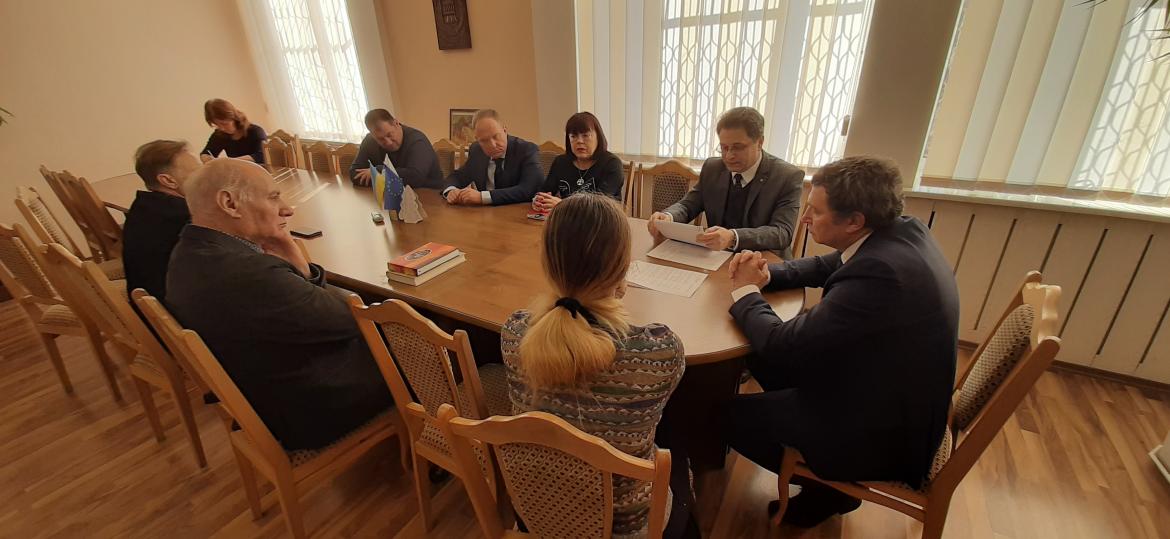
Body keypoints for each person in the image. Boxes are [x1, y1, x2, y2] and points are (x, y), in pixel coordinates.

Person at [724, 156, 958, 527]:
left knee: (724, 415)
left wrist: (746, 291)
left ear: (854, 221)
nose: (804, 218)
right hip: (885, 385)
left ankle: (831, 491)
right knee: (755, 354)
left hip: (883, 430)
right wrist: (768, 275)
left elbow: (782, 344)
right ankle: (824, 481)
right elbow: (830, 265)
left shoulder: (880, 274)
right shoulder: (900, 232)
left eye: (815, 211)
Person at [501, 193, 696, 538]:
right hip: (624, 527)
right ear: (623, 268)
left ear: (547, 262)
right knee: (677, 448)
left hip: (538, 512)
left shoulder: (514, 333)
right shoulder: (660, 351)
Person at [166, 159, 392, 451]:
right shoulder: (250, 273)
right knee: (432, 333)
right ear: (229, 203)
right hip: (310, 408)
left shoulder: (186, 254)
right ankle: (438, 447)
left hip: (266, 387)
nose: (287, 209)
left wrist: (299, 268)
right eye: (273, 197)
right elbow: (353, 320)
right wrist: (299, 263)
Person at [647, 107, 803, 258]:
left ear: (760, 142)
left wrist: (733, 237)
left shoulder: (787, 176)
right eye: (724, 147)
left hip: (764, 261)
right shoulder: (713, 168)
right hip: (716, 258)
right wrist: (668, 217)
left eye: (737, 148)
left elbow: (782, 232)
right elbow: (688, 205)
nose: (729, 156)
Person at [122, 140, 199, 302]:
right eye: (196, 172)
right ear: (168, 181)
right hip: (175, 309)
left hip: (148, 304)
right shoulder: (184, 217)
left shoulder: (142, 206)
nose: (204, 178)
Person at [442, 109, 543, 206]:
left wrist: (482, 197)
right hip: (483, 214)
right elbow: (458, 176)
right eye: (484, 140)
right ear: (477, 140)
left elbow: (529, 189)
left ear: (504, 130)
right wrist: (451, 190)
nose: (492, 145)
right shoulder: (477, 150)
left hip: (518, 213)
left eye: (496, 136)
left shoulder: (526, 150)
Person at [532, 112, 624, 212]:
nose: (579, 141)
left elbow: (600, 207)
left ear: (598, 137)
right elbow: (545, 191)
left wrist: (563, 205)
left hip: (602, 219)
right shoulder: (560, 162)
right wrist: (539, 200)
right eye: (573, 136)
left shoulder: (612, 164)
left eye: (586, 135)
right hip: (567, 218)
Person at [349, 109, 444, 189]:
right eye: (381, 139)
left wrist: (378, 172)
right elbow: (354, 174)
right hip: (391, 196)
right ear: (373, 136)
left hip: (428, 195)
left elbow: (415, 178)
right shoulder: (370, 140)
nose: (388, 142)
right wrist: (387, 179)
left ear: (396, 123)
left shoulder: (417, 141)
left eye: (389, 135)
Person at [199, 99, 267, 164]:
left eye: (224, 124)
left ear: (233, 117)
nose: (222, 128)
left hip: (260, 170)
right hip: (238, 170)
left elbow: (262, 156)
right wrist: (207, 158)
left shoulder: (255, 131)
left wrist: (230, 162)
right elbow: (206, 153)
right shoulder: (220, 134)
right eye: (217, 125)